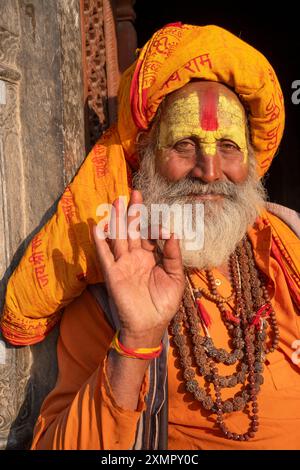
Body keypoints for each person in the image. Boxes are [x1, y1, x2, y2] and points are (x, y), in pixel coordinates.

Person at [1, 23, 300, 450]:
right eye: (185, 144)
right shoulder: (116, 281)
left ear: (252, 160)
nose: (210, 171)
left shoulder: (287, 249)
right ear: (145, 153)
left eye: (229, 147)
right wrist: (136, 340)